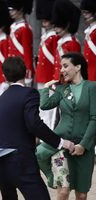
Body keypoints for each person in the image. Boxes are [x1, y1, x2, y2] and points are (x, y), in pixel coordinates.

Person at [0, 56, 75, 200]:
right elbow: (34, 124)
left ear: (4, 76)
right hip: (21, 161)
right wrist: (61, 142)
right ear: (26, 73)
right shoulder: (29, 93)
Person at [36, 52, 96, 200]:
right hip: (62, 145)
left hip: (84, 147)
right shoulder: (62, 89)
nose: (62, 70)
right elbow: (44, 105)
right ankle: (52, 177)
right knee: (63, 192)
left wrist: (83, 145)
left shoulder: (92, 87)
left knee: (81, 195)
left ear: (77, 67)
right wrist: (46, 88)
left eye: (65, 66)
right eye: (61, 67)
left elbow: (95, 118)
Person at [35, 0, 58, 130]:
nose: (44, 21)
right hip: (42, 75)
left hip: (49, 76)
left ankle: (48, 133)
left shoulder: (54, 37)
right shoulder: (46, 36)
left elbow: (55, 60)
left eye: (47, 19)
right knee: (42, 107)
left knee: (49, 108)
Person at [7, 0, 34, 86]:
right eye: (10, 10)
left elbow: (27, 51)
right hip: (13, 67)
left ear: (20, 9)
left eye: (13, 9)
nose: (11, 12)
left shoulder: (25, 28)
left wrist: (28, 69)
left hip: (21, 68)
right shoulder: (13, 27)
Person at [80, 0, 96, 81]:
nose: (84, 15)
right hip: (89, 73)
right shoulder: (89, 31)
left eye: (86, 13)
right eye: (83, 13)